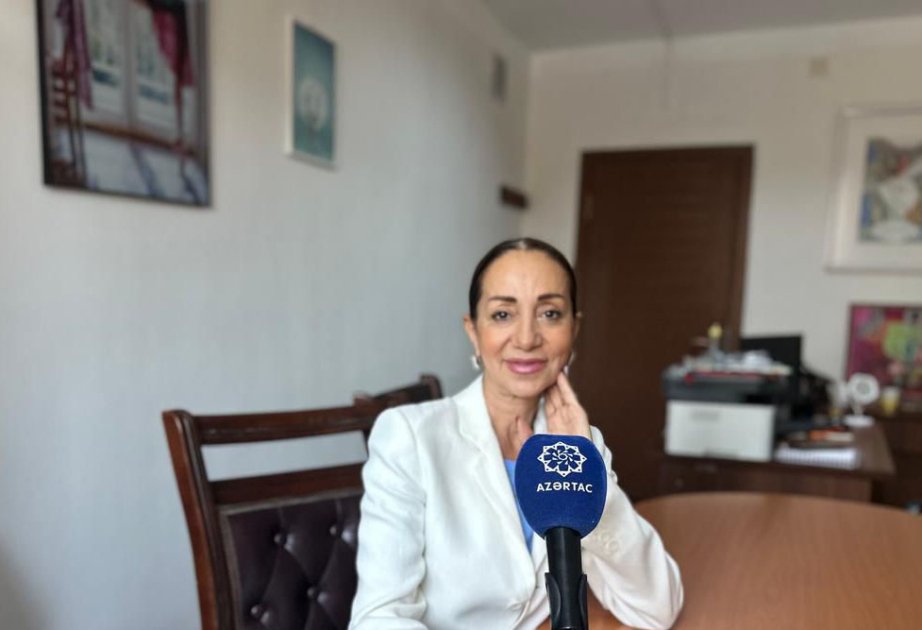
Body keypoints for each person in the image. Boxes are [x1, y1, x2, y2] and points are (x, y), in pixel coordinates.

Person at [350, 238, 683, 629]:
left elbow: (657, 608)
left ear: (574, 329)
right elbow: (377, 618)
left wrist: (588, 472)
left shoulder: (576, 443)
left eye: (550, 313)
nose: (526, 338)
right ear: (473, 331)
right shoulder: (409, 436)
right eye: (503, 314)